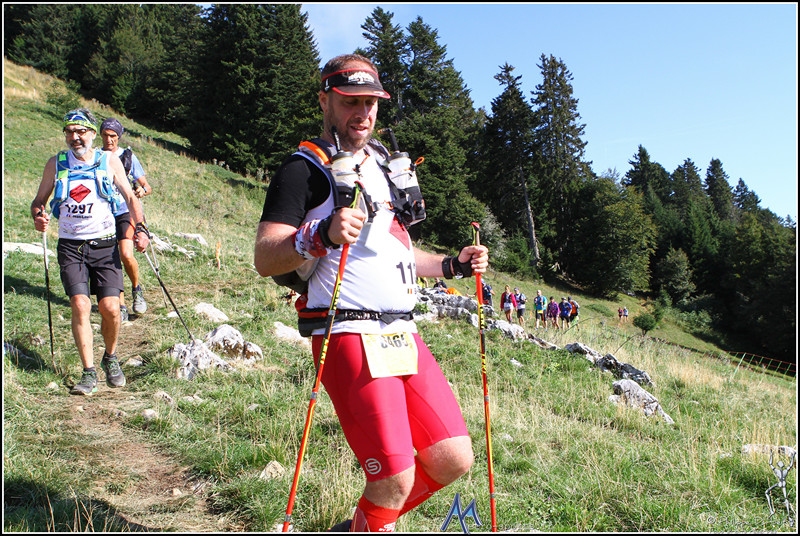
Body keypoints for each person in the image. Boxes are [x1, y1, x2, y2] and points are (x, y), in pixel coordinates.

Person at [253, 54, 488, 532]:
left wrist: (451, 265)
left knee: (452, 457)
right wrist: (320, 235)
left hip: (402, 332)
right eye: (350, 102)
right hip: (347, 331)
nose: (362, 113)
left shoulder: (383, 164)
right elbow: (265, 256)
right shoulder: (304, 168)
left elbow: (395, 249)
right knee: (395, 479)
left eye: (371, 102)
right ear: (325, 101)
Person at [31, 108, 150, 395]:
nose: (75, 137)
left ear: (93, 134)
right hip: (70, 246)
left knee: (111, 309)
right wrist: (38, 215)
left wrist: (141, 228)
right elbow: (39, 200)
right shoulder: (56, 163)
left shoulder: (108, 161)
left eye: (81, 131)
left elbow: (130, 197)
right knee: (80, 304)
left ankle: (110, 357)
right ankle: (88, 372)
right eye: (70, 132)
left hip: (105, 245)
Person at [99, 118, 152, 319]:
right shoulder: (95, 156)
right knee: (110, 258)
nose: (109, 139)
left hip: (124, 210)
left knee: (126, 254)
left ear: (119, 137)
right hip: (103, 212)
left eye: (113, 136)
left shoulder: (128, 156)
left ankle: (137, 289)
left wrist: (141, 190)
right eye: (105, 135)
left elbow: (146, 186)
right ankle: (120, 305)